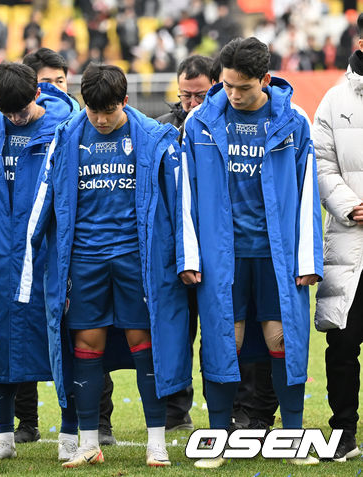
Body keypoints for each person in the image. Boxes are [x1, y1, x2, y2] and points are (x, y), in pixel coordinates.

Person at [17, 64, 191, 468]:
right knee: (85, 345)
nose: (101, 119)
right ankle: (90, 441)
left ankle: (156, 441)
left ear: (125, 102)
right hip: (84, 260)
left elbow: (179, 202)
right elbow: (44, 199)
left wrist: (185, 258)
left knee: (144, 345)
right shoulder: (68, 136)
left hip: (136, 258)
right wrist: (30, 256)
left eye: (109, 111)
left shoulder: (153, 137)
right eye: (94, 112)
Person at [177, 37, 323, 468]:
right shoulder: (200, 123)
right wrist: (189, 255)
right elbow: (186, 193)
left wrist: (307, 259)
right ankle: (218, 437)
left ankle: (293, 436)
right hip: (223, 257)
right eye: (226, 86)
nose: (233, 95)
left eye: (242, 87)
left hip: (276, 256)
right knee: (227, 340)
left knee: (283, 338)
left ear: (264, 79)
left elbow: (307, 192)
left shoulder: (294, 121)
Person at [0, 62, 78, 461]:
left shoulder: (64, 128)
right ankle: (3, 436)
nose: (15, 118)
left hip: (48, 255)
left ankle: (70, 433)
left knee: (62, 341)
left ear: (38, 94)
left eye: (20, 110)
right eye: (7, 112)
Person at [20, 47, 118, 446]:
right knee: (26, 337)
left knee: (89, 335)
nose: (53, 90)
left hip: (76, 252)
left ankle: (99, 420)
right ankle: (26, 419)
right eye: (44, 83)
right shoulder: (6, 125)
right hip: (25, 248)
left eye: (60, 82)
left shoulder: (77, 127)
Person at [314, 11, 363, 463]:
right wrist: (351, 204)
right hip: (350, 243)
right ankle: (343, 430)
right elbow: (321, 165)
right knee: (343, 343)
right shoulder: (332, 101)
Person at [156, 54, 212, 432]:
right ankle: (175, 412)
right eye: (185, 95)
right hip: (172, 250)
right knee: (175, 332)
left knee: (223, 332)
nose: (191, 103)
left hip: (214, 248)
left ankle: (235, 408)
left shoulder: (222, 127)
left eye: (200, 95)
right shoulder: (162, 129)